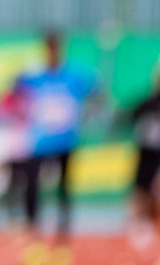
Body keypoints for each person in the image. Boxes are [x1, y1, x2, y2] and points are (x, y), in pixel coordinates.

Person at [5, 30, 97, 242]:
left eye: (56, 48)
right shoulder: (35, 76)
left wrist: (85, 117)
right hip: (40, 141)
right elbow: (13, 89)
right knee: (33, 183)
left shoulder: (74, 74)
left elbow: (97, 92)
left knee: (64, 185)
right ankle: (32, 223)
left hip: (66, 139)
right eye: (49, 48)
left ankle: (63, 225)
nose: (52, 52)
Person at [126, 71, 160, 248]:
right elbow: (130, 115)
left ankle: (149, 220)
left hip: (159, 151)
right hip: (145, 149)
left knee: (154, 186)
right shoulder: (148, 103)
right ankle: (139, 220)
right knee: (140, 185)